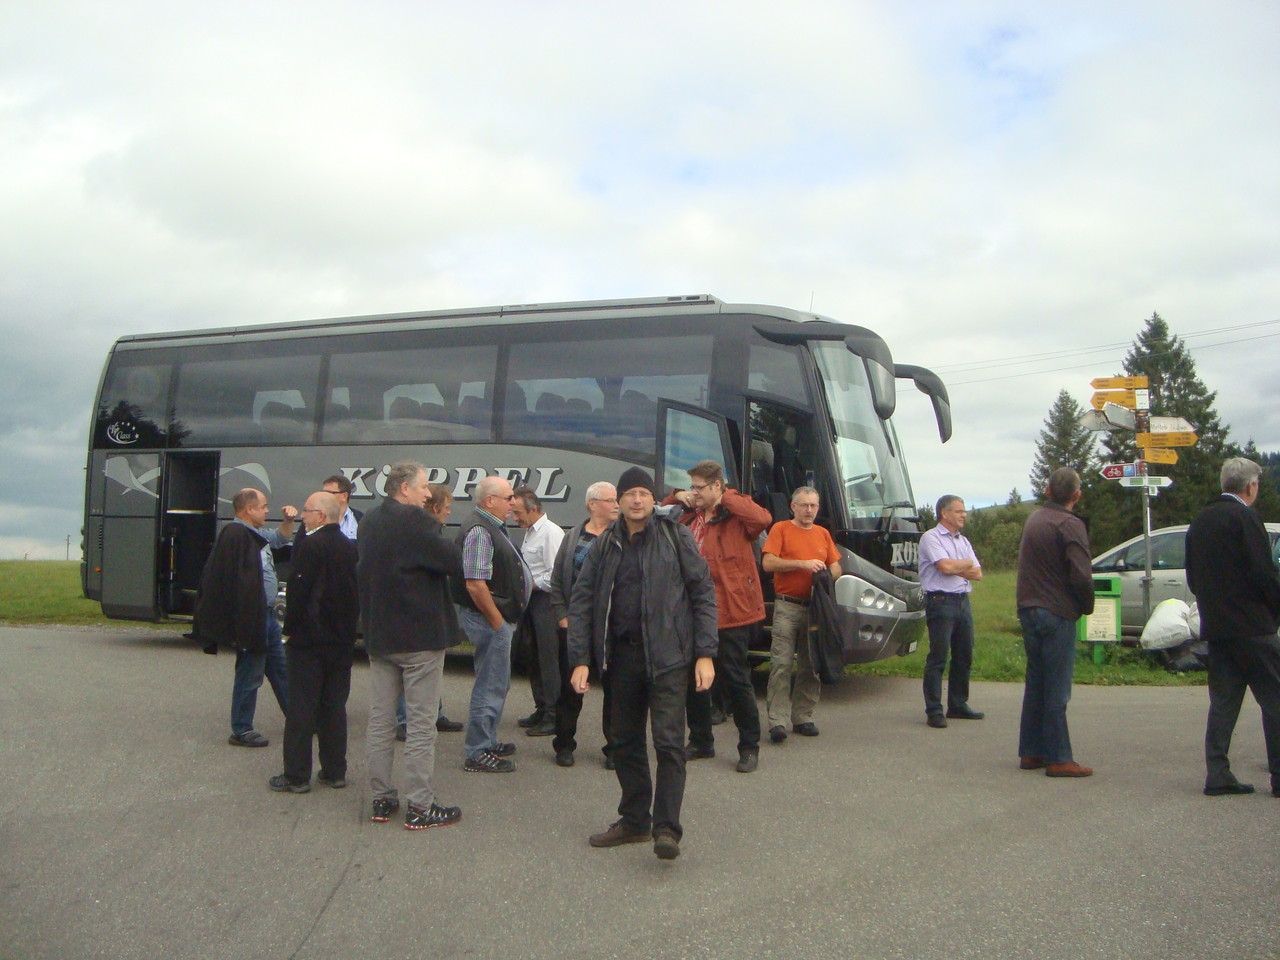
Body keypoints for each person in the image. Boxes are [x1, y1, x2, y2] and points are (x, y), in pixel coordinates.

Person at [569, 467, 717, 861]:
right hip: (621, 659)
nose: (637, 500)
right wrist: (580, 659)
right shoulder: (604, 545)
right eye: (629, 493)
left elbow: (703, 592)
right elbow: (582, 601)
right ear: (617, 501)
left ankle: (666, 828)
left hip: (669, 658)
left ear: (655, 499)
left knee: (669, 744)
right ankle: (635, 820)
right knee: (624, 742)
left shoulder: (674, 536)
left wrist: (705, 653)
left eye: (643, 493)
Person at [358, 461, 465, 830]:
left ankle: (381, 797)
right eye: (423, 486)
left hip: (380, 635)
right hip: (418, 638)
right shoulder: (418, 521)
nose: (428, 493)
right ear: (404, 488)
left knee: (381, 720)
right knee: (421, 724)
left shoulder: (370, 520)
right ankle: (421, 805)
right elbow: (453, 561)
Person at [665, 460, 770, 773]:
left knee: (736, 678)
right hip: (691, 609)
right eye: (693, 487)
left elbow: (762, 518)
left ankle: (749, 746)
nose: (695, 493)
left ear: (716, 486)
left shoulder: (734, 513)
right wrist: (676, 496)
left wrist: (724, 498)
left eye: (700, 487)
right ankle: (700, 740)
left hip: (730, 609)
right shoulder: (689, 514)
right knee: (692, 679)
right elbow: (656, 516)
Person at [1185, 457, 1280, 797]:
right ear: (1250, 486)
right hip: (1254, 626)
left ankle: (1218, 772)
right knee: (1274, 698)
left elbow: (1193, 577)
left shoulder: (1201, 521)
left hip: (1218, 626)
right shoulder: (1246, 518)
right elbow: (1263, 573)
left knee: (1224, 701)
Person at [269, 491, 359, 793]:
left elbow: (299, 592)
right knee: (334, 706)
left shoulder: (310, 545)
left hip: (309, 640)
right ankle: (335, 771)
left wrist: (290, 631)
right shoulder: (348, 547)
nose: (302, 516)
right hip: (342, 640)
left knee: (302, 709)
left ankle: (296, 775)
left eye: (306, 511)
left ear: (320, 516)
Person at [194, 487, 295, 749]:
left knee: (281, 670)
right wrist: (242, 622)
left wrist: (288, 521)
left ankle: (298, 719)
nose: (266, 510)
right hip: (253, 618)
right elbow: (229, 582)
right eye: (263, 506)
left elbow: (279, 539)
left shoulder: (254, 534)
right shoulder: (236, 535)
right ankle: (241, 729)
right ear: (248, 509)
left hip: (269, 617)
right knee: (250, 674)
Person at [1015, 467, 1094, 778]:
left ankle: (1031, 751)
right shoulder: (1070, 525)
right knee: (1057, 686)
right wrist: (1085, 606)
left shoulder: (1034, 519)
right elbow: (1081, 574)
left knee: (1036, 682)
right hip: (1056, 611)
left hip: (1028, 607)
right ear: (1076, 495)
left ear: (1047, 491)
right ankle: (1059, 757)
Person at [453, 475, 531, 773]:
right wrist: (498, 623)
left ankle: (488, 739)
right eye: (509, 498)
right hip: (490, 621)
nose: (514, 503)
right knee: (490, 683)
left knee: (498, 681)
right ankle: (477, 750)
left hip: (496, 620)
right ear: (489, 501)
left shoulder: (491, 527)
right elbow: (475, 584)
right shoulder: (480, 531)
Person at [761, 486, 842, 743]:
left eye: (814, 506)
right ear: (793, 507)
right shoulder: (781, 529)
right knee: (781, 664)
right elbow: (768, 563)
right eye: (804, 505)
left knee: (811, 664)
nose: (809, 510)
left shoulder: (823, 534)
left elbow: (836, 566)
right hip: (787, 606)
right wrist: (801, 564)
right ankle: (777, 721)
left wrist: (824, 576)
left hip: (816, 609)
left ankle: (803, 716)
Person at [549, 481, 620, 767]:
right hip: (575, 626)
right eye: (610, 499)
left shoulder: (620, 537)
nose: (617, 504)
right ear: (592, 504)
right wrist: (563, 615)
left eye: (617, 499)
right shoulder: (573, 537)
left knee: (615, 692)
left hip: (610, 629)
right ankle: (564, 745)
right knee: (571, 691)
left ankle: (614, 749)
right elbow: (557, 580)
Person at [394, 483, 465, 741]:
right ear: (435, 508)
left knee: (430, 672)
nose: (448, 513)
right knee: (409, 670)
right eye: (446, 508)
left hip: (429, 613)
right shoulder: (422, 531)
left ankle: (436, 712)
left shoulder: (428, 530)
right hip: (413, 615)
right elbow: (452, 560)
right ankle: (404, 720)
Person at [919, 494, 984, 728]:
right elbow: (944, 567)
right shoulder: (931, 538)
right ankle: (934, 710)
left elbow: (978, 573)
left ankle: (958, 705)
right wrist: (964, 563)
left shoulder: (962, 541)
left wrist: (958, 566)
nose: (964, 515)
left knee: (964, 655)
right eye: (959, 511)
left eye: (964, 511)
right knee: (938, 657)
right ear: (944, 513)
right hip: (940, 602)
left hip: (962, 601)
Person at [511, 486, 566, 738]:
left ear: (533, 510)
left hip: (546, 602)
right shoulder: (530, 532)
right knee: (532, 656)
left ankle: (554, 715)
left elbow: (556, 573)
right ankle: (541, 708)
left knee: (547, 658)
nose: (515, 518)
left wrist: (531, 583)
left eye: (518, 512)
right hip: (530, 603)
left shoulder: (550, 533)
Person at [321, 474, 363, 540]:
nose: (324, 497)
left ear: (344, 496)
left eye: (329, 493)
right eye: (323, 493)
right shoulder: (313, 517)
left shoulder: (360, 519)